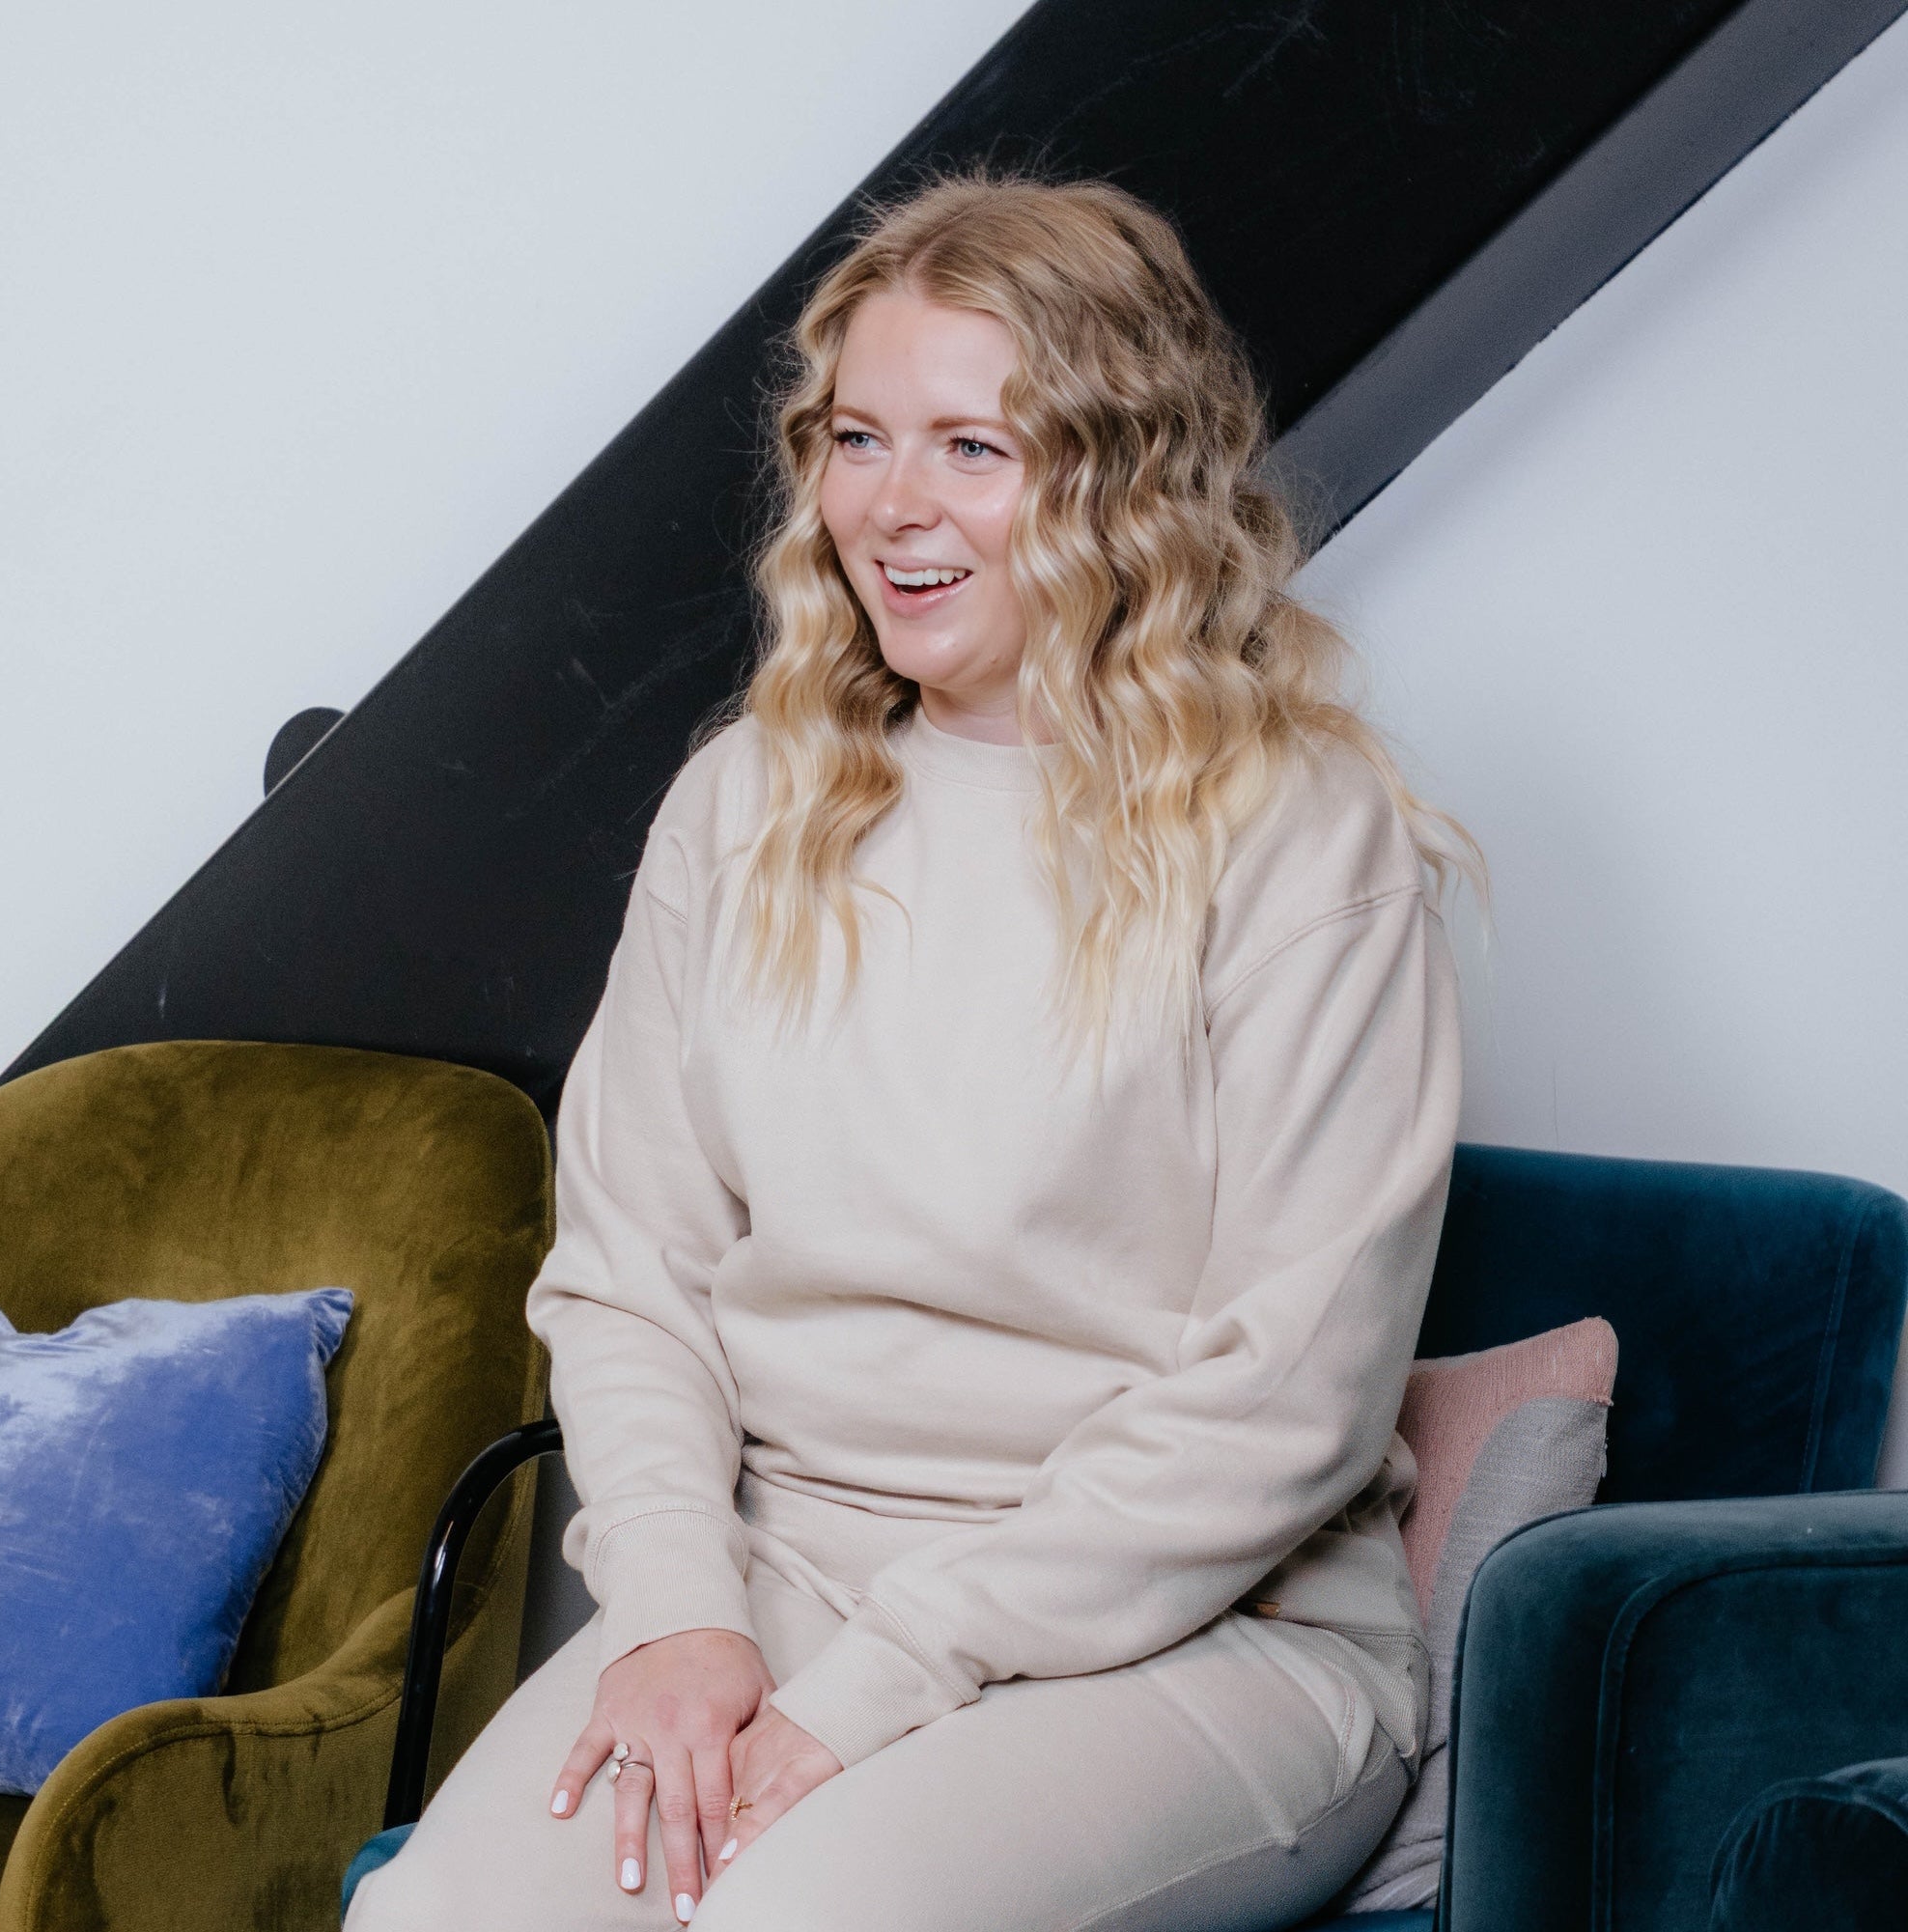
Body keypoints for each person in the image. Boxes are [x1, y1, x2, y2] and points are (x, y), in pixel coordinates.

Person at [345, 172, 1476, 1932]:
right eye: (860, 438)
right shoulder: (743, 803)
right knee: (434, 1920)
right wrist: (676, 1610)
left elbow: (1291, 1400)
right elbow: (629, 1272)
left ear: (1118, 477)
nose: (892, 504)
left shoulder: (1298, 833)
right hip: (778, 1572)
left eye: (974, 445)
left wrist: (872, 1687)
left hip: (1203, 1635)